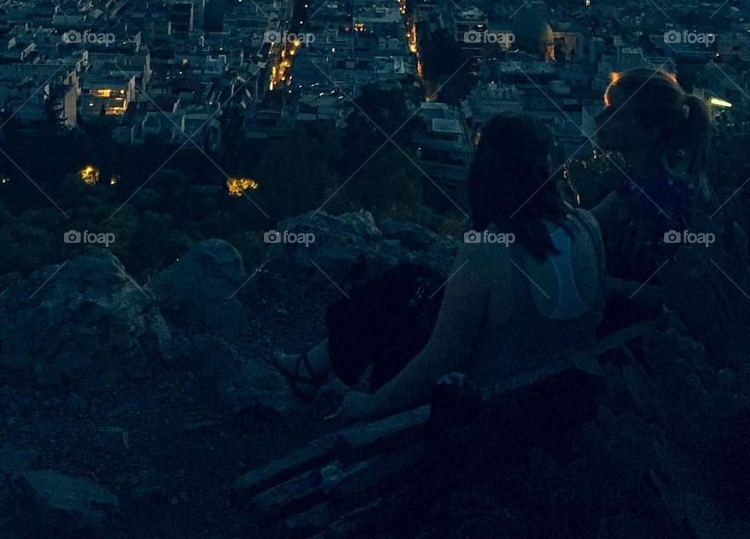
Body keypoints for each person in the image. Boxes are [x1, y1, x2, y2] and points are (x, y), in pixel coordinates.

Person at [273, 114, 606, 422]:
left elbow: (440, 361)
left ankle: (313, 369)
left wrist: (369, 407)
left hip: (489, 411)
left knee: (398, 303)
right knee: (411, 282)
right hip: (560, 396)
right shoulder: (588, 225)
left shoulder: (488, 251)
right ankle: (314, 365)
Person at [591, 67, 714, 308]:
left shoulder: (667, 202)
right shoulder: (638, 181)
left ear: (651, 131)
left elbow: (680, 296)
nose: (599, 119)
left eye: (616, 114)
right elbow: (589, 222)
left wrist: (597, 284)